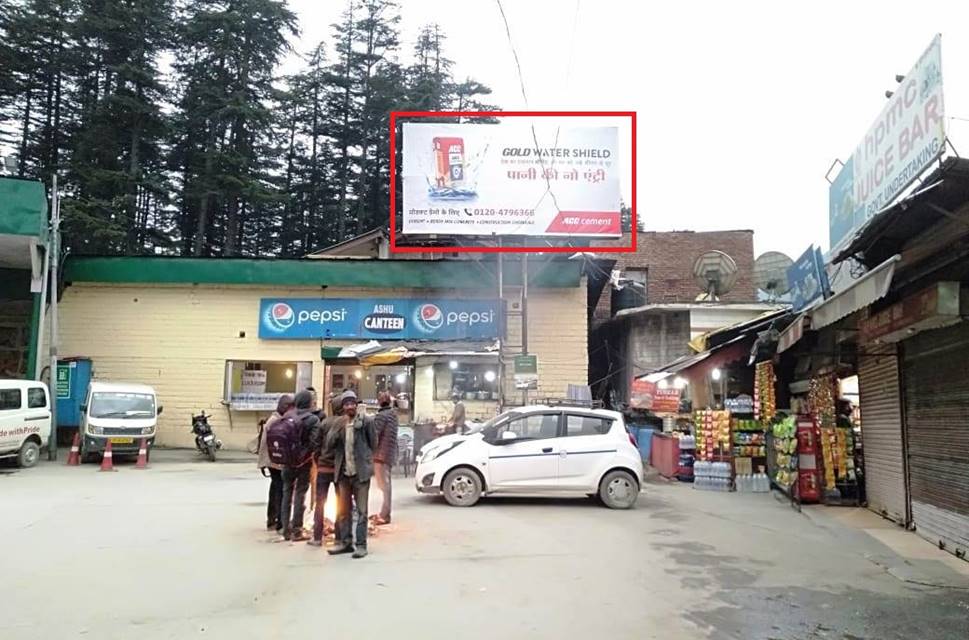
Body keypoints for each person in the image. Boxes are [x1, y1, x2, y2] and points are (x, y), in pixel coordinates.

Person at [326, 390, 378, 558]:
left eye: (352, 404)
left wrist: (367, 461)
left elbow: (373, 444)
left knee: (362, 511)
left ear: (356, 405)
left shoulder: (367, 422)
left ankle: (361, 545)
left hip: (360, 474)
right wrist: (336, 429)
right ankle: (345, 542)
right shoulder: (339, 423)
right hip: (343, 474)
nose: (350, 407)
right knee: (343, 510)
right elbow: (329, 445)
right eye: (346, 404)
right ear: (343, 407)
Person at [279, 390, 318, 542]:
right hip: (303, 463)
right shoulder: (312, 419)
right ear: (308, 402)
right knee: (300, 494)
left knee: (286, 493)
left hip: (287, 461)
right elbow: (315, 442)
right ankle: (297, 530)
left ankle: (284, 529)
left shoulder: (287, 416)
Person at [307, 393, 342, 547]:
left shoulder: (324, 423)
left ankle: (316, 537)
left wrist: (318, 461)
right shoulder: (346, 424)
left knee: (320, 503)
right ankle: (339, 537)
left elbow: (316, 445)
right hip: (339, 470)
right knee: (342, 503)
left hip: (323, 468)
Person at [257, 394, 293, 533]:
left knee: (275, 489)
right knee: (280, 490)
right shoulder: (275, 421)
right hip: (275, 461)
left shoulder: (275, 419)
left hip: (273, 460)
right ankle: (278, 520)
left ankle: (273, 519)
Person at [371, 391, 399, 525]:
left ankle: (385, 515)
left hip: (381, 455)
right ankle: (384, 512)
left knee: (384, 485)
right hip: (389, 454)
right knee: (386, 485)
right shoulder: (393, 414)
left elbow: (374, 435)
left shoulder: (382, 416)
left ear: (379, 402)